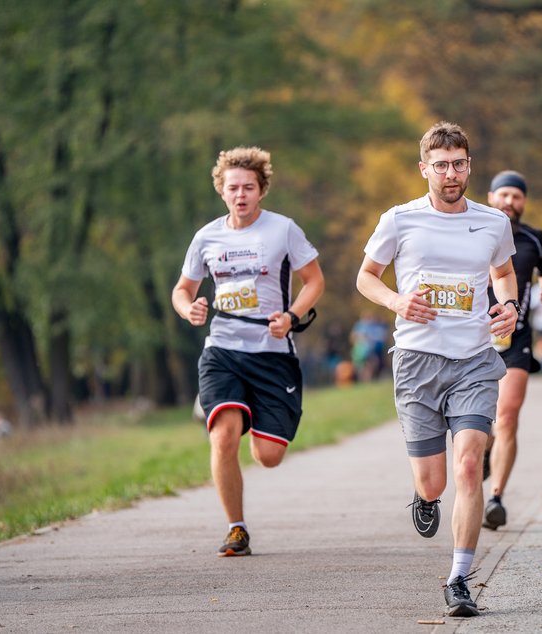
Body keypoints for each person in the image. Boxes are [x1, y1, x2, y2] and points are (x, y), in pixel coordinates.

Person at [356, 122, 519, 618]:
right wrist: (397, 301)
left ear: (470, 165)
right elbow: (365, 278)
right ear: (424, 168)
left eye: (460, 164)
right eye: (442, 165)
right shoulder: (399, 220)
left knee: (470, 463)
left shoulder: (493, 223)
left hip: (473, 359)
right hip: (417, 363)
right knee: (434, 484)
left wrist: (509, 306)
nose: (452, 174)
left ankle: (459, 579)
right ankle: (423, 494)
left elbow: (504, 274)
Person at [172, 146, 325, 556]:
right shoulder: (206, 237)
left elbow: (314, 281)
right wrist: (191, 309)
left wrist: (291, 316)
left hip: (272, 352)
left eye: (249, 188)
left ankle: (249, 415)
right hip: (223, 349)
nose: (240, 195)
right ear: (221, 191)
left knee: (269, 456)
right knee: (223, 437)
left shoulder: (283, 230)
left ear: (261, 191)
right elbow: (183, 290)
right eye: (232, 187)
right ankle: (236, 528)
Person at [483, 171, 542, 532]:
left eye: (516, 196)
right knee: (481, 423)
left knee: (507, 416)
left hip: (517, 337)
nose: (510, 202)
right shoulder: (472, 229)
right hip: (471, 339)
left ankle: (495, 497)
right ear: (490, 197)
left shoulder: (534, 238)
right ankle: (484, 451)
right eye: (504, 195)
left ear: (524, 201)